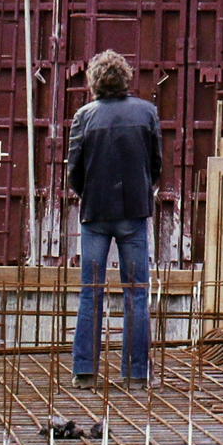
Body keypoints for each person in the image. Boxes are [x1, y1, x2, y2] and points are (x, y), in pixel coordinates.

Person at [68, 49, 161, 391]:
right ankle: (136, 374)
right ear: (125, 78)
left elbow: (73, 172)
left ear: (94, 81)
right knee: (136, 293)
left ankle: (85, 372)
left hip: (95, 214)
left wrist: (89, 194)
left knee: (90, 291)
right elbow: (156, 165)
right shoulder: (147, 112)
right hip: (134, 214)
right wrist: (138, 191)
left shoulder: (83, 116)